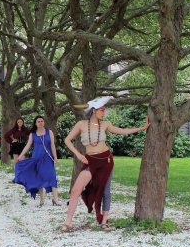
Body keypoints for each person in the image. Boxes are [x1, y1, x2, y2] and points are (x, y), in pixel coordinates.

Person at [60, 97, 150, 233]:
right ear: (94, 111)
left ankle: (104, 221)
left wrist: (142, 128)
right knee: (75, 190)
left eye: (104, 109)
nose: (104, 112)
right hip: (90, 161)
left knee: (105, 191)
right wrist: (78, 154)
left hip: (106, 160)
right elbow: (67, 140)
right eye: (102, 110)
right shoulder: (81, 124)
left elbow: (122, 131)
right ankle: (68, 223)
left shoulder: (105, 124)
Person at [14, 115, 60, 206]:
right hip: (36, 158)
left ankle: (56, 199)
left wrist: (55, 157)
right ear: (35, 123)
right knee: (39, 178)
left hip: (47, 158)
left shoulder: (49, 132)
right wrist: (21, 156)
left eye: (42, 121)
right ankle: (42, 200)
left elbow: (52, 145)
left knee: (52, 176)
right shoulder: (33, 134)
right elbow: (28, 146)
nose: (40, 123)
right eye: (38, 121)